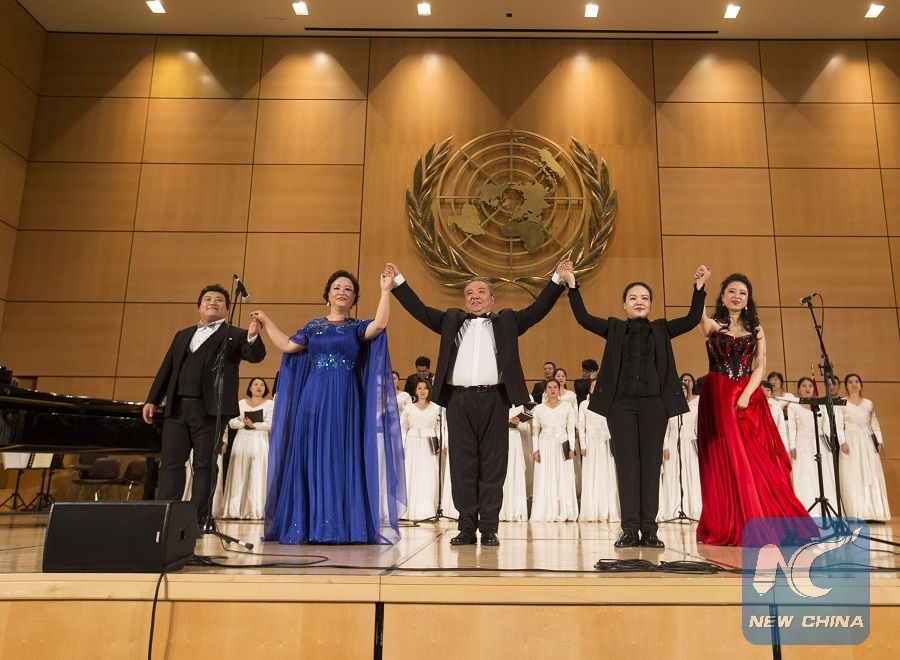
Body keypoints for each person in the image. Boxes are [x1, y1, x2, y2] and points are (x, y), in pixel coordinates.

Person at [389, 260, 569, 546]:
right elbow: (419, 310)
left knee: (493, 465)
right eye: (469, 293)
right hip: (458, 400)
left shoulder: (507, 321)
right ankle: (465, 527)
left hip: (495, 399)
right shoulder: (451, 321)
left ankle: (488, 528)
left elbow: (538, 310)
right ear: (465, 300)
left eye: (481, 292)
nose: (474, 297)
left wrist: (557, 279)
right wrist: (398, 281)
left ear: (492, 299)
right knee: (462, 465)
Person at [250, 268, 406, 544]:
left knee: (340, 456)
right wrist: (266, 321)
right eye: (337, 288)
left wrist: (385, 291)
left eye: (348, 289)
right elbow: (287, 345)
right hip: (312, 398)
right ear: (328, 295)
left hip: (345, 399)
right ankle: (308, 525)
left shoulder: (356, 327)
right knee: (309, 456)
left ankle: (339, 526)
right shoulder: (312, 326)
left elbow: (379, 325)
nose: (342, 292)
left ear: (354, 297)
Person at [562, 264, 710, 549]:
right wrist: (572, 285)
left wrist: (699, 287)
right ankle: (630, 529)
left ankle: (650, 530)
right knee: (627, 467)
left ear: (650, 304)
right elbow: (583, 318)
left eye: (644, 298)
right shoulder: (615, 328)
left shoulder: (661, 329)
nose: (639, 302)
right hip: (621, 406)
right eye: (633, 298)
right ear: (624, 305)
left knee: (651, 466)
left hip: (655, 405)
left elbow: (693, 319)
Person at [695, 274, 812, 546]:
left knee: (757, 460)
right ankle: (731, 521)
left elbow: (760, 365)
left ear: (748, 299)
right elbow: (700, 320)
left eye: (742, 293)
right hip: (718, 395)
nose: (737, 296)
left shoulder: (756, 328)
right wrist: (699, 289)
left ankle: (759, 519)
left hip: (748, 396)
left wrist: (747, 393)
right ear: (722, 296)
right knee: (726, 458)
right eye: (731, 291)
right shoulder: (715, 325)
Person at [142, 284, 266, 524]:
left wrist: (252, 335)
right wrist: (152, 400)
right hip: (176, 408)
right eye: (208, 299)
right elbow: (166, 369)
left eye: (219, 300)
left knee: (204, 466)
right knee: (171, 464)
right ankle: (167, 518)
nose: (213, 302)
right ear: (199, 306)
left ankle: (197, 520)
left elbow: (255, 355)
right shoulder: (182, 335)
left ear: (227, 309)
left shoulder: (235, 334)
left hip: (210, 411)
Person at [839, 374, 891, 521]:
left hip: (867, 441)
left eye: (856, 382)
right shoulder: (841, 403)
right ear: (846, 386)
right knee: (854, 472)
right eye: (850, 382)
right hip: (850, 440)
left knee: (870, 472)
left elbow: (874, 423)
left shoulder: (868, 403)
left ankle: (874, 512)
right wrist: (842, 442)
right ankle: (856, 511)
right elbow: (838, 425)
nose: (854, 384)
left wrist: (879, 441)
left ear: (861, 384)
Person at [221, 377, 274, 519]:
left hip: (259, 439)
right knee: (239, 472)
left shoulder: (270, 404)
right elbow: (231, 422)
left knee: (258, 472)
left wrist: (254, 425)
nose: (259, 387)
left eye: (262, 385)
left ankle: (257, 509)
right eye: (255, 384)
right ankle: (236, 509)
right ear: (250, 388)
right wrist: (243, 424)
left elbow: (270, 424)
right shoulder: (241, 403)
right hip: (242, 439)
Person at [787, 376, 839, 513]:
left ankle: (826, 510)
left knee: (823, 475)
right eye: (804, 386)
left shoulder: (820, 405)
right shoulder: (793, 406)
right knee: (805, 475)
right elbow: (791, 427)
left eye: (810, 386)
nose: (807, 388)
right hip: (802, 443)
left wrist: (829, 443)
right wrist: (792, 445)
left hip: (820, 443)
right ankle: (806, 510)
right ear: (799, 389)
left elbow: (826, 426)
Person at [530, 379, 578, 522]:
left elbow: (570, 429)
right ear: (545, 390)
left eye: (555, 387)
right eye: (549, 387)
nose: (552, 389)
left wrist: (571, 448)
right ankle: (546, 509)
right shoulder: (539, 409)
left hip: (562, 443)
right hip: (545, 444)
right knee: (546, 474)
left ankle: (563, 509)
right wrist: (535, 449)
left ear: (559, 389)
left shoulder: (567, 407)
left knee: (562, 475)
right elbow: (535, 431)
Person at [658, 381, 701, 521]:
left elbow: (697, 428)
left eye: (683, 389)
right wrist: (665, 447)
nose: (681, 392)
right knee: (673, 475)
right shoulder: (669, 407)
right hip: (673, 444)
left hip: (689, 444)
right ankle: (673, 508)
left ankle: (691, 508)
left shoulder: (694, 408)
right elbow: (665, 429)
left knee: (690, 474)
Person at [577, 379, 619, 522]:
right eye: (594, 386)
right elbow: (581, 425)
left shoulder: (609, 402)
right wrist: (583, 445)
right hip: (591, 443)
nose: (596, 388)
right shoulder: (584, 404)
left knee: (606, 474)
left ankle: (607, 509)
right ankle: (592, 510)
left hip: (606, 442)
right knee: (592, 474)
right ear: (590, 389)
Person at [401, 379, 442, 520]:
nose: (422, 391)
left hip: (429, 444)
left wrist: (440, 444)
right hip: (412, 444)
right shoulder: (409, 408)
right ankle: (408, 510)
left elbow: (440, 428)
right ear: (415, 391)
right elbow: (402, 428)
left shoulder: (436, 408)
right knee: (411, 473)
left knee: (428, 475)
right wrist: (402, 445)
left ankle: (426, 510)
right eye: (419, 388)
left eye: (425, 388)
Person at [499, 405, 529, 522]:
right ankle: (500, 509)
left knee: (515, 471)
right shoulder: (498, 404)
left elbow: (525, 427)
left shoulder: (519, 406)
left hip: (514, 439)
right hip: (500, 438)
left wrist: (518, 422)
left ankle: (515, 510)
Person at [761, 381, 791, 454]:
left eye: (768, 390)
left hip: (772, 442)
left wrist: (785, 448)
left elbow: (781, 430)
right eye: (762, 390)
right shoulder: (752, 409)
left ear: (771, 393)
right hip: (758, 442)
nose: (765, 392)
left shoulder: (776, 409)